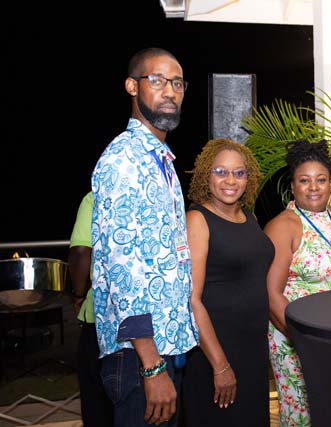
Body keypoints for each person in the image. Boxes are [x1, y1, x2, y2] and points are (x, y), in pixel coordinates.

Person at [91, 47, 198, 427]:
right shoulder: (124, 160)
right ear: (132, 86)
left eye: (178, 83)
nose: (170, 91)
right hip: (141, 357)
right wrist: (152, 367)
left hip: (166, 347)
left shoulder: (158, 159)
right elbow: (124, 272)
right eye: (157, 80)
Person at [264, 139, 331, 426]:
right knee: (305, 415)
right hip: (298, 338)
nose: (313, 187)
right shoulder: (282, 226)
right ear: (293, 186)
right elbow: (271, 294)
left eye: (320, 180)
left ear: (330, 183)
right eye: (304, 180)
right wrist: (304, 340)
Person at [182, 138, 274, 426]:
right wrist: (220, 366)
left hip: (252, 351)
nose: (230, 180)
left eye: (239, 172)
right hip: (216, 351)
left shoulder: (249, 216)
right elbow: (191, 300)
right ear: (205, 176)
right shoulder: (197, 219)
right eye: (220, 172)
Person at [68, 191, 114, 427]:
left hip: (99, 321)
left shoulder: (95, 196)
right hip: (148, 323)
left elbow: (80, 251)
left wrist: (78, 293)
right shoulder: (156, 191)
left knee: (97, 407)